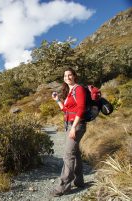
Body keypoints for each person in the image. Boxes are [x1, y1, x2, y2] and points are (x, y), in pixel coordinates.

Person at [51, 67, 87, 197]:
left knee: (68, 155)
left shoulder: (79, 89)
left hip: (76, 125)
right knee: (75, 153)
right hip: (69, 124)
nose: (67, 77)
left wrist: (73, 127)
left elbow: (81, 109)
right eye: (65, 76)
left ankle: (63, 187)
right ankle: (79, 181)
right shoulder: (69, 91)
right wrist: (57, 100)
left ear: (74, 76)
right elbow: (65, 110)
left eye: (70, 75)